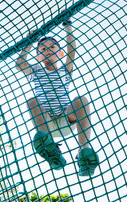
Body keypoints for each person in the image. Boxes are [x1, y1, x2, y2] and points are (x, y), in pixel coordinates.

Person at [15, 16, 99, 176]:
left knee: (82, 100)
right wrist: (30, 42)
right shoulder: (36, 71)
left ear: (60, 53)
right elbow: (19, 65)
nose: (47, 50)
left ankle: (83, 151)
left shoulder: (65, 71)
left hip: (66, 119)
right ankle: (51, 149)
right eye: (43, 49)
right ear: (38, 57)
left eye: (52, 47)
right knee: (32, 102)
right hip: (47, 125)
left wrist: (67, 26)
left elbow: (72, 50)